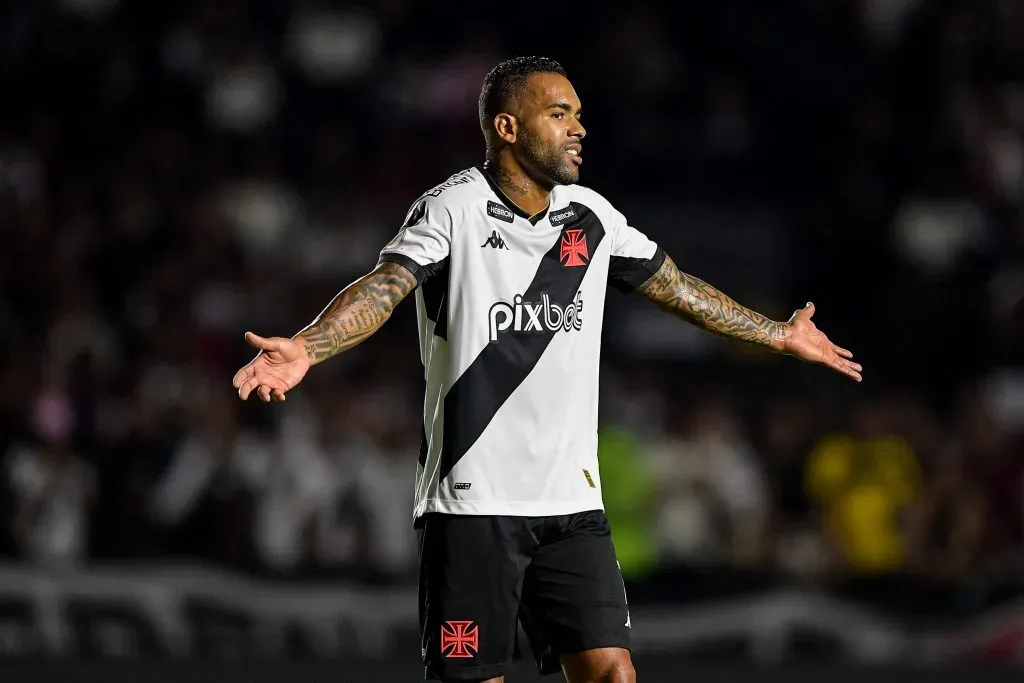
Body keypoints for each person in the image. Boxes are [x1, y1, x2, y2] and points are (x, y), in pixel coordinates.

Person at [232, 56, 862, 683]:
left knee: (613, 673)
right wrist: (310, 347)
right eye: (559, 114)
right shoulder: (453, 208)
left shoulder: (591, 216)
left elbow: (678, 288)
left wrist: (777, 334)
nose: (579, 129)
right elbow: (385, 287)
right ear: (507, 128)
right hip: (474, 502)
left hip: (571, 502)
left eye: (579, 116)